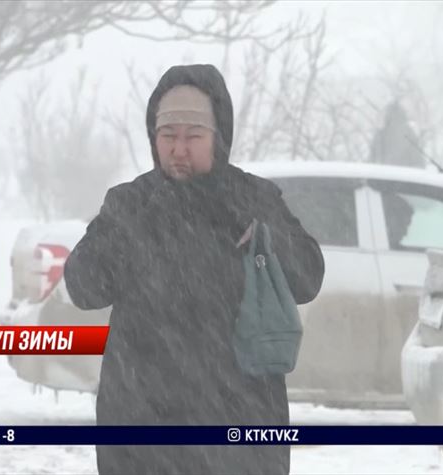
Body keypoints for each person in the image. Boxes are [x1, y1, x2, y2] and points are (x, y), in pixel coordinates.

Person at [63, 64, 325, 475]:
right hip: (141, 426)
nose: (178, 149)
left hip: (238, 423)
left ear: (219, 138)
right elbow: (82, 289)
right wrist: (122, 237)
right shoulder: (129, 204)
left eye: (193, 137)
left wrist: (265, 234)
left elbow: (308, 277)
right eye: (167, 136)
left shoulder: (253, 199)